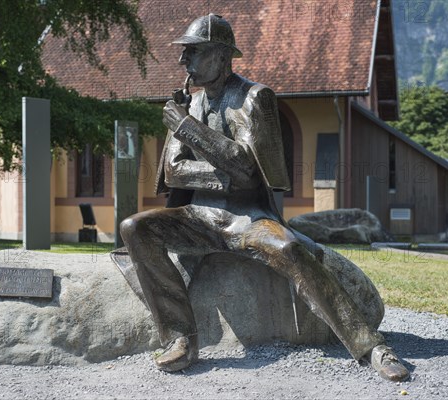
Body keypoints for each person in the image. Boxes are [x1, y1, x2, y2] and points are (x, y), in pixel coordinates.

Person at [120, 14, 409, 381]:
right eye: (183, 53)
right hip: (197, 216)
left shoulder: (254, 98)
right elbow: (175, 171)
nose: (183, 61)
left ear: (222, 56)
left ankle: (372, 347)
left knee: (290, 250)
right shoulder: (188, 105)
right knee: (135, 228)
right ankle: (181, 338)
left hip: (247, 218)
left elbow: (247, 170)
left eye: (193, 51)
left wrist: (186, 129)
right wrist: (221, 173)